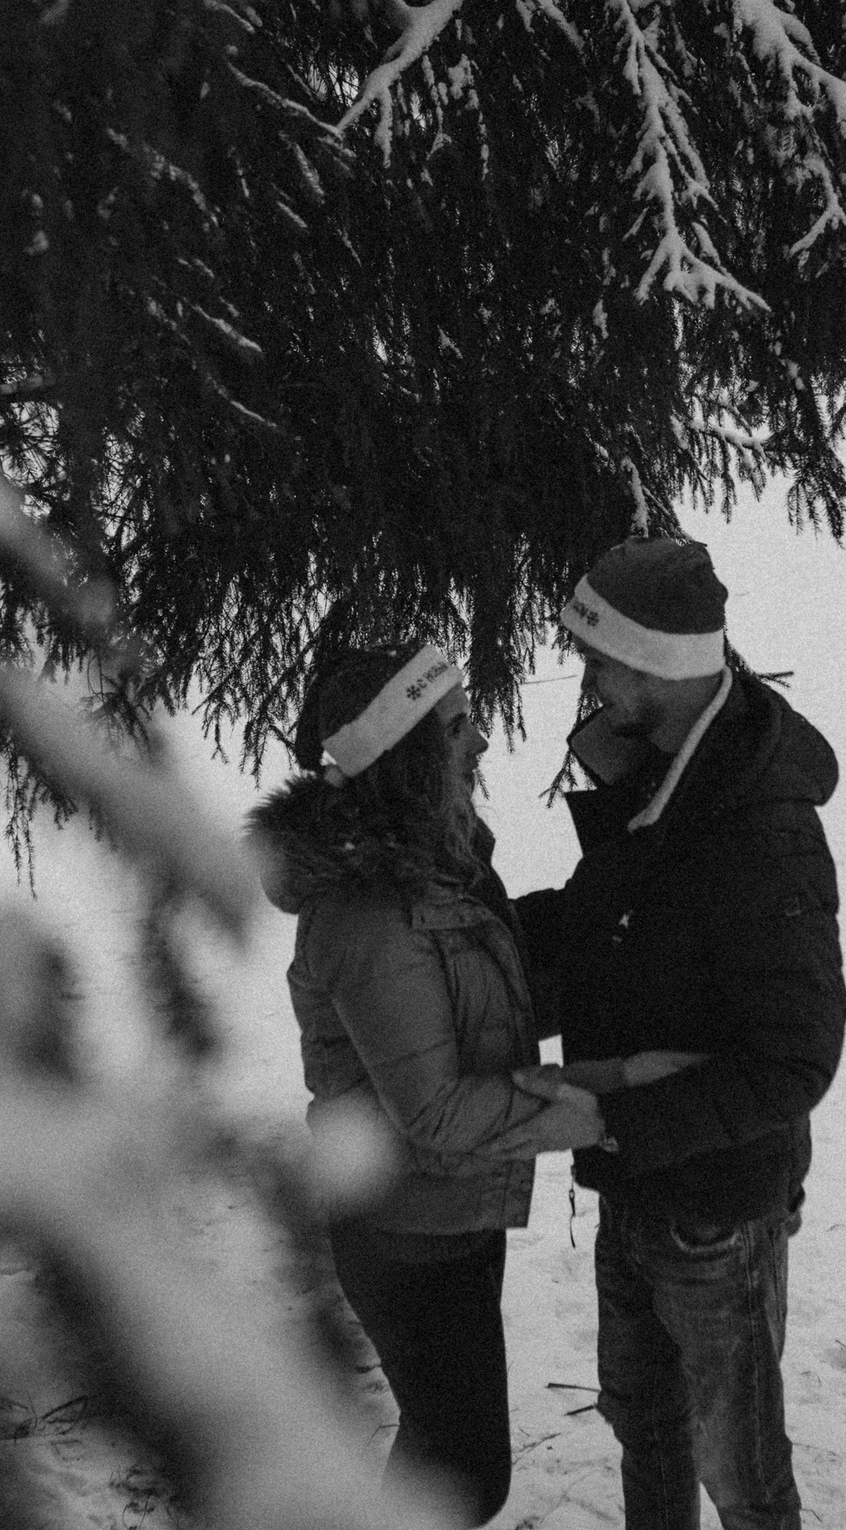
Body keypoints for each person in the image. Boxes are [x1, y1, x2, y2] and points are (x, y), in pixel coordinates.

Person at [494, 536, 846, 1530]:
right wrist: (467, 942)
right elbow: (600, 925)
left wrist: (612, 1119)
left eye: (599, 661)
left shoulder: (759, 832)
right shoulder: (659, 779)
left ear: (656, 664)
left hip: (714, 1214)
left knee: (742, 1476)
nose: (588, 682)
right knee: (644, 1427)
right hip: (638, 1181)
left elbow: (794, 1060)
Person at [250, 641, 603, 1527]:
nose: (480, 741)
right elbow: (438, 1109)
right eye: (457, 727)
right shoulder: (372, 913)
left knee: (444, 1459)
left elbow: (477, 996)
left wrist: (608, 920)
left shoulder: (437, 862)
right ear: (408, 756)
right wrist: (589, 1109)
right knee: (462, 1476)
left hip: (443, 1215)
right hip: (404, 1231)